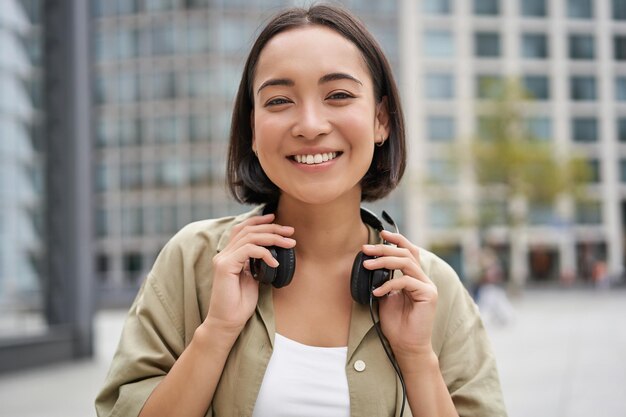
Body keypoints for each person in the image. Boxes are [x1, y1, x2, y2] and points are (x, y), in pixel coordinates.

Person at [95, 4, 506, 417]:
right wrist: (215, 333)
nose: (310, 125)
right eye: (279, 100)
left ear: (381, 119)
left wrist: (417, 357)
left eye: (339, 95)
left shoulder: (433, 288)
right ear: (252, 129)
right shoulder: (194, 260)